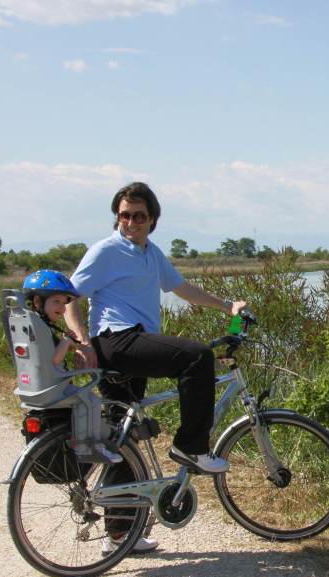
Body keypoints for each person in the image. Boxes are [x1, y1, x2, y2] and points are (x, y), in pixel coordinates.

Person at [63, 181, 246, 554]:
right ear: (117, 217)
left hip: (132, 346)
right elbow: (68, 297)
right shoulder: (107, 251)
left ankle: (119, 535)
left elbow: (183, 289)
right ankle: (191, 447)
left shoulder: (150, 253)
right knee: (197, 357)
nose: (131, 222)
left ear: (153, 220)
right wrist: (83, 342)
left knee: (121, 439)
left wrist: (227, 306)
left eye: (139, 216)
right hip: (118, 341)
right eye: (125, 215)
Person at [21, 270, 119, 465]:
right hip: (52, 388)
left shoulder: (32, 325)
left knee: (85, 401)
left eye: (65, 303)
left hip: (31, 388)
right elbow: (53, 360)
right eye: (56, 302)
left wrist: (79, 346)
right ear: (38, 302)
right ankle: (88, 446)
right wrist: (66, 342)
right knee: (90, 401)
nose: (63, 308)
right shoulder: (41, 329)